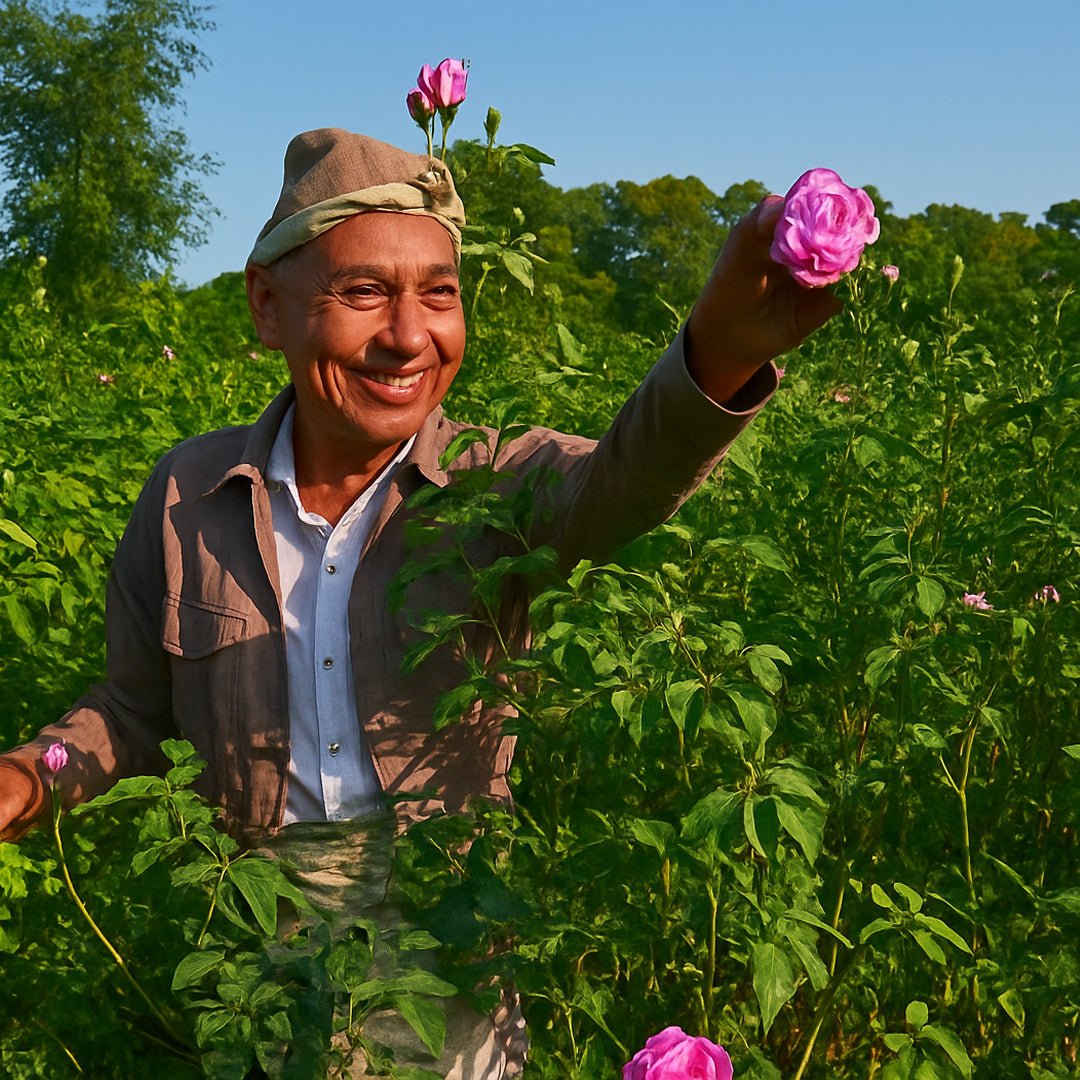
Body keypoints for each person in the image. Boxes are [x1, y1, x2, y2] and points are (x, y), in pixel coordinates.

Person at [0, 129, 840, 1075]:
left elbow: (621, 484)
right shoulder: (187, 495)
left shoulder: (495, 483)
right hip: (252, 934)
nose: (408, 335)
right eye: (362, 291)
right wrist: (30, 777)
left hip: (450, 947)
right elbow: (129, 711)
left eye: (438, 293)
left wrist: (714, 360)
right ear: (267, 308)